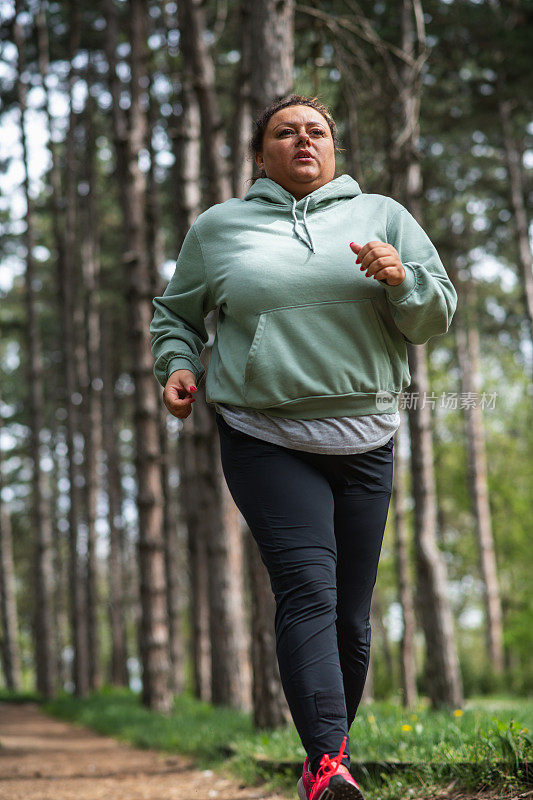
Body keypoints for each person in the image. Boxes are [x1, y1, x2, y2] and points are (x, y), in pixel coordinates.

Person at [150, 94, 457, 800]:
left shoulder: (381, 216)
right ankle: (325, 765)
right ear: (261, 155)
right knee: (307, 593)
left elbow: (434, 316)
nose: (302, 141)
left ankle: (329, 757)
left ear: (334, 147)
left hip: (364, 432)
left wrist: (401, 279)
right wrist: (178, 366)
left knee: (351, 615)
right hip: (264, 432)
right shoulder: (219, 227)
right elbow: (176, 314)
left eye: (315, 131)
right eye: (283, 133)